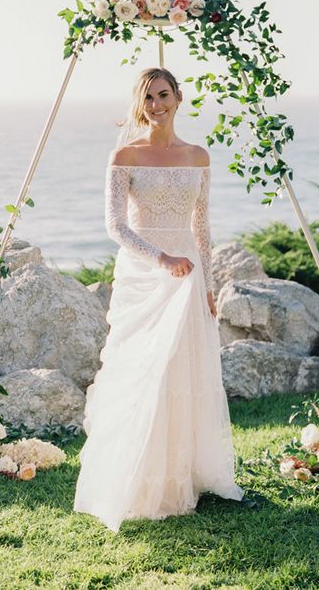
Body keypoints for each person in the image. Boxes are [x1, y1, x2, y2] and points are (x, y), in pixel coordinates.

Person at [73, 67, 244, 532]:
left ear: (178, 97)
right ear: (139, 103)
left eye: (163, 95)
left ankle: (181, 474)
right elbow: (115, 225)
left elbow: (202, 228)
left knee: (182, 371)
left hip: (188, 275)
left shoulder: (198, 156)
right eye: (148, 98)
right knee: (142, 371)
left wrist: (207, 284)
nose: (156, 105)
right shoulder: (124, 156)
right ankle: (135, 477)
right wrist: (161, 258)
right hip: (146, 271)